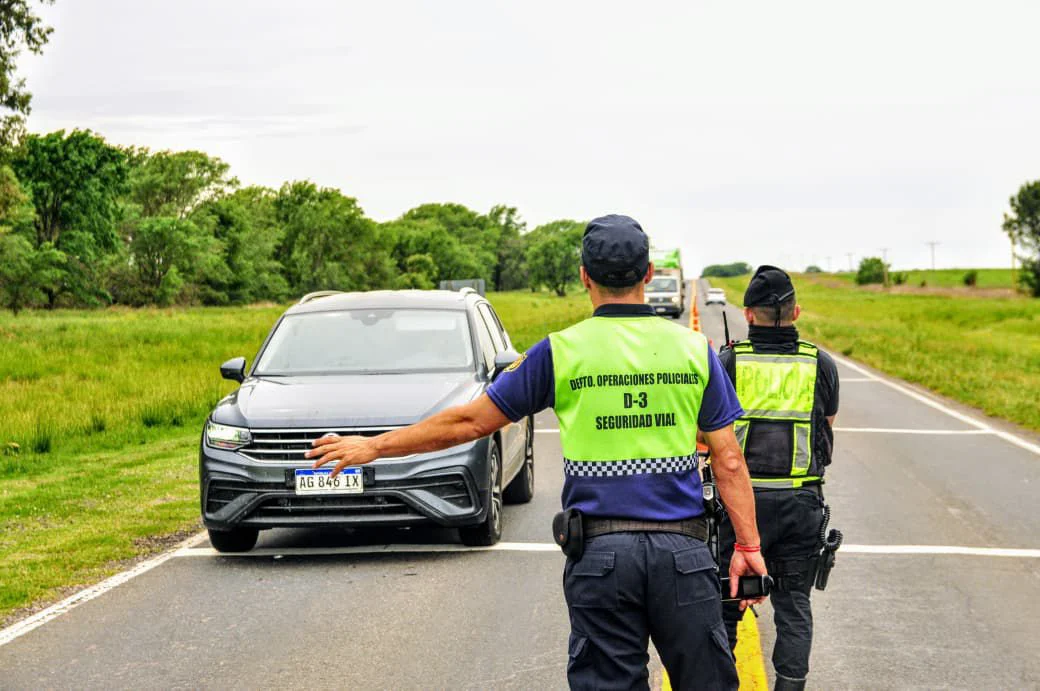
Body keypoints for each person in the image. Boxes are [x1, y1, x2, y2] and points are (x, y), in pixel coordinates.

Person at [307, 214, 767, 690]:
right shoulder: (694, 350)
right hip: (682, 554)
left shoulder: (560, 352)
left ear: (584, 276)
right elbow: (729, 460)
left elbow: (470, 421)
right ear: (649, 274)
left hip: (602, 558)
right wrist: (749, 546)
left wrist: (374, 445)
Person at [716, 265, 840, 691]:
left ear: (748, 314)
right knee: (793, 606)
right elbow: (827, 424)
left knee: (726, 606)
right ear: (796, 312)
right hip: (798, 505)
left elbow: (705, 433)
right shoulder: (819, 363)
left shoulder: (730, 360)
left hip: (738, 505)